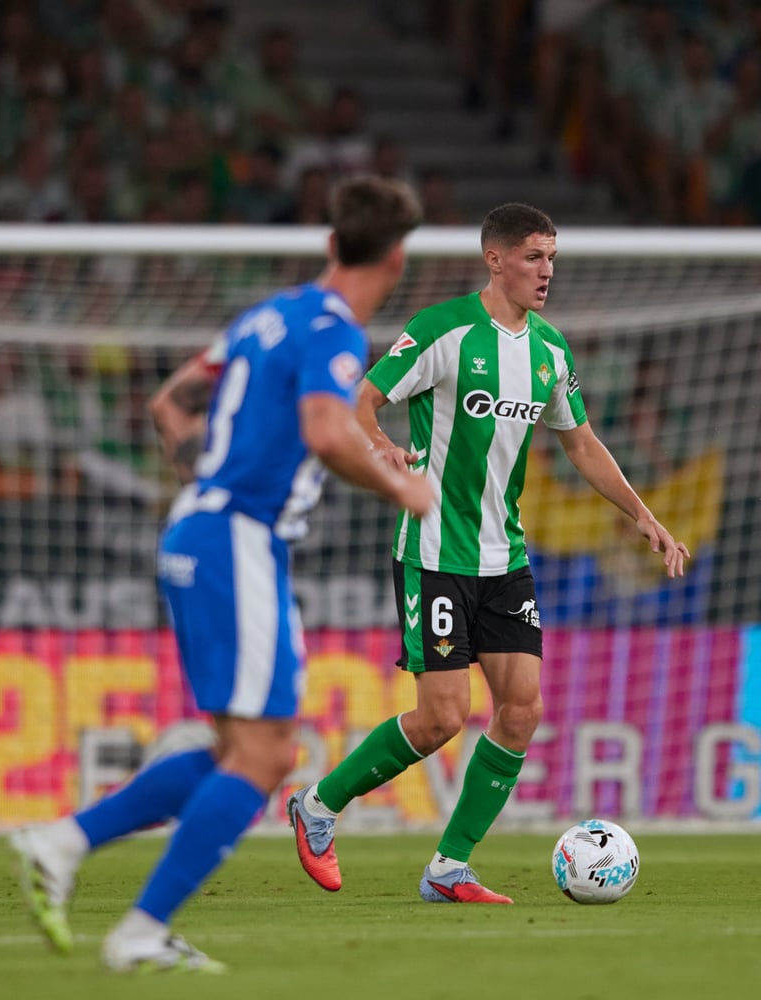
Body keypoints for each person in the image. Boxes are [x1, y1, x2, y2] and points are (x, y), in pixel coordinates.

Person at [9, 175, 433, 971]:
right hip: (238, 538)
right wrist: (402, 487)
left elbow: (171, 402)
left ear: (331, 242)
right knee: (267, 757)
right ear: (397, 260)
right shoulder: (336, 333)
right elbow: (323, 430)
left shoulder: (266, 316)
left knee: (242, 749)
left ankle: (64, 843)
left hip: (201, 529)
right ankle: (137, 926)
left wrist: (203, 484)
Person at [287, 201, 690, 904]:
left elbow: (581, 443)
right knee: (442, 717)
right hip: (435, 551)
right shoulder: (442, 330)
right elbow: (361, 399)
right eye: (534, 256)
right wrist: (381, 444)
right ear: (495, 259)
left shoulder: (550, 351)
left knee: (521, 710)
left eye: (552, 257)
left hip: (505, 558)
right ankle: (317, 805)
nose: (547, 271)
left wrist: (642, 514)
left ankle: (450, 868)